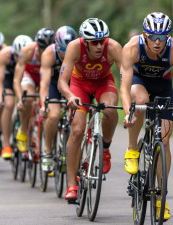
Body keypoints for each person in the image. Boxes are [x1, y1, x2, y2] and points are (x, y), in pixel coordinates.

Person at [120, 12, 173, 221]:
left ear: (168, 37)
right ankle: (132, 150)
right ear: (144, 35)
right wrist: (128, 112)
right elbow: (124, 87)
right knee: (141, 100)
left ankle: (160, 199)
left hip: (163, 88)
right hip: (138, 83)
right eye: (153, 36)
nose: (157, 42)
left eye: (162, 37)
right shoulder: (132, 48)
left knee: (164, 141)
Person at [57, 18, 122, 201]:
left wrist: (128, 100)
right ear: (85, 42)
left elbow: (127, 76)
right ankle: (71, 185)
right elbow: (62, 81)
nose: (99, 46)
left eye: (102, 41)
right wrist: (70, 96)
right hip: (79, 86)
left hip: (104, 82)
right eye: (94, 42)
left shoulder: (114, 47)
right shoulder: (74, 47)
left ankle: (106, 147)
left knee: (110, 110)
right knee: (77, 130)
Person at [39, 26, 77, 172]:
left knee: (78, 119)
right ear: (56, 46)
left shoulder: (78, 51)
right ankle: (48, 151)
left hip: (72, 83)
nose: (66, 54)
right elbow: (44, 84)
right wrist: (44, 104)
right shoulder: (49, 53)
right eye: (62, 51)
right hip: (54, 84)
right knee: (53, 115)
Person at [13, 28, 55, 153]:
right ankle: (23, 129)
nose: (45, 52)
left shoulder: (56, 53)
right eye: (42, 48)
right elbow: (16, 79)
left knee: (50, 108)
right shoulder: (27, 51)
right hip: (30, 76)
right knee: (29, 98)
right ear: (37, 45)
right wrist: (20, 98)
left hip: (46, 78)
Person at [0, 35, 33, 159]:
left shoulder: (33, 55)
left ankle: (30, 135)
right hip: (9, 79)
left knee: (30, 102)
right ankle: (6, 145)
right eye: (16, 55)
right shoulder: (4, 54)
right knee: (9, 104)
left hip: (25, 79)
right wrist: (0, 96)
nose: (19, 59)